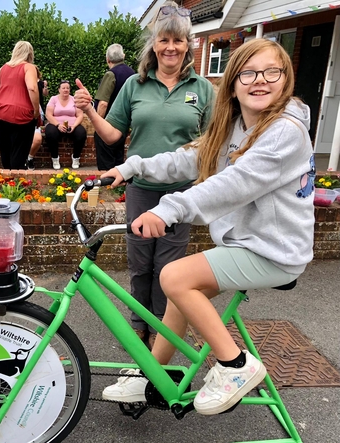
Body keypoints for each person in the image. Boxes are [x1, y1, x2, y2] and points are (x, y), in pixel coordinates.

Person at [99, 38, 315, 415]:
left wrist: (168, 209)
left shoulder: (284, 133)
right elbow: (191, 158)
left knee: (175, 276)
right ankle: (154, 373)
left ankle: (235, 366)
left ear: (286, 80)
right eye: (248, 73)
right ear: (233, 83)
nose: (259, 81)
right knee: (183, 296)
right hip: (248, 245)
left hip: (275, 252)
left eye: (271, 72)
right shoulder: (236, 127)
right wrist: (131, 167)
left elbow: (233, 184)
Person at [75, 1, 214, 349]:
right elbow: (112, 135)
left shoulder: (204, 89)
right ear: (154, 44)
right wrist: (91, 111)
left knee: (169, 269)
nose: (171, 47)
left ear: (187, 46)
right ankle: (139, 323)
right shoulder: (135, 85)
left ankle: (161, 330)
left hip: (180, 195)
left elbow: (214, 143)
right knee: (139, 264)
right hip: (141, 190)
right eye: (164, 40)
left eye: (178, 41)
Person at [0, 41, 40, 170]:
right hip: (22, 114)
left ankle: (6, 183)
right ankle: (16, 183)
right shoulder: (29, 67)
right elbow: (32, 88)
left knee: (5, 151)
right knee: (19, 153)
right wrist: (35, 111)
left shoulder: (4, 67)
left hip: (1, 112)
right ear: (30, 53)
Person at [93, 44, 135, 170]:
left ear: (107, 59)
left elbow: (103, 103)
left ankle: (107, 188)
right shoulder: (133, 74)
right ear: (123, 56)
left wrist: (98, 125)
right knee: (119, 162)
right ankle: (118, 189)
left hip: (108, 125)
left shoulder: (111, 74)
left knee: (106, 165)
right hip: (124, 125)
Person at [45, 80, 87, 169]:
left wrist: (74, 126)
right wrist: (58, 125)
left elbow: (80, 115)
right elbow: (48, 114)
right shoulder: (53, 99)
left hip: (72, 125)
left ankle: (76, 157)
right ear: (59, 90)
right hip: (56, 125)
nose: (66, 90)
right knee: (50, 133)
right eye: (63, 88)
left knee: (81, 133)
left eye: (67, 88)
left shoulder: (74, 99)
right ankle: (55, 158)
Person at [26, 68, 49, 170]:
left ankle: (29, 158)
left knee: (37, 139)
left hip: (37, 111)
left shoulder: (40, 83)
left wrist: (45, 87)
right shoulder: (23, 81)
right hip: (23, 111)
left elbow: (45, 94)